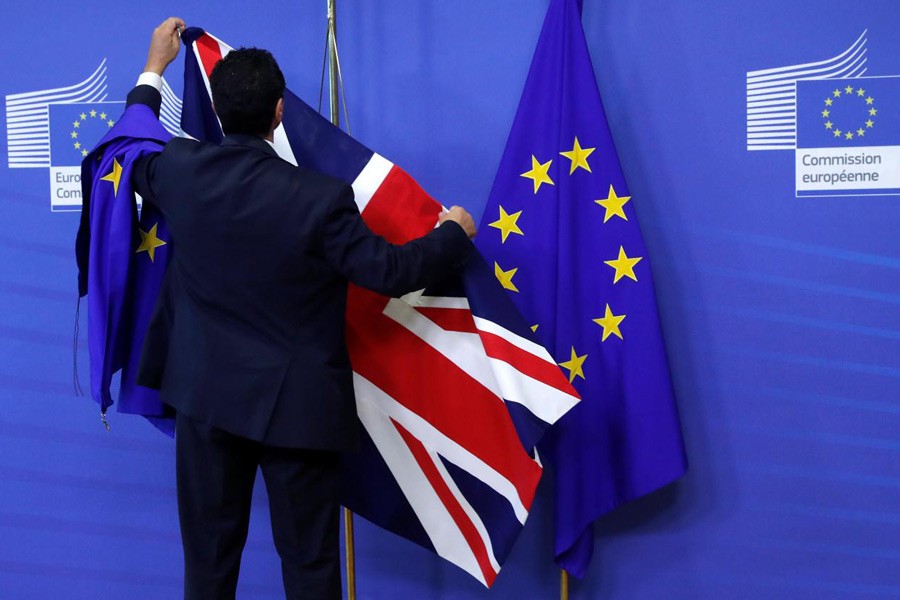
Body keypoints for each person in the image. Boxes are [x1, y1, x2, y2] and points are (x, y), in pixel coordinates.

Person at [128, 17, 476, 600]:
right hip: (297, 411)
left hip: (207, 401)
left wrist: (154, 68)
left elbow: (129, 143)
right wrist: (452, 235)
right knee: (311, 572)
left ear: (215, 107)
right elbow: (388, 273)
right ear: (279, 113)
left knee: (208, 570)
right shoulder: (320, 199)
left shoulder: (179, 172)